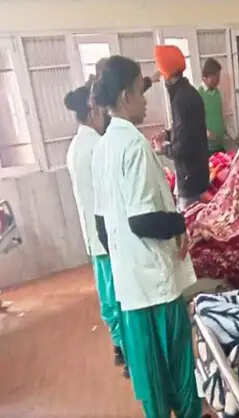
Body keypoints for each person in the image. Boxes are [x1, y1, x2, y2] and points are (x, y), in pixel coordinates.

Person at [91, 55, 201, 418]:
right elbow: (142, 221)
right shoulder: (134, 146)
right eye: (141, 91)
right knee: (180, 377)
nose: (145, 101)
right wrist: (180, 223)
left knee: (152, 383)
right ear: (125, 96)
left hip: (131, 287)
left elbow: (103, 225)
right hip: (157, 288)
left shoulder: (102, 148)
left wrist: (125, 262)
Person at [64, 83, 125, 372]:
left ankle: (118, 345)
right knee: (119, 294)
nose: (105, 115)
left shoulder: (75, 147)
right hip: (106, 235)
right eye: (101, 110)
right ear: (91, 111)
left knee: (107, 293)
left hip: (93, 237)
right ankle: (127, 350)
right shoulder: (97, 147)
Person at [151, 45, 209, 212]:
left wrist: (163, 149)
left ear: (165, 73)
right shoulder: (189, 93)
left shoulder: (181, 100)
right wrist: (168, 134)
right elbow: (188, 130)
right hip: (197, 172)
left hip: (190, 177)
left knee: (190, 220)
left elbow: (183, 146)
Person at [198, 58, 227, 154]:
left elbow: (219, 113)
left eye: (219, 76)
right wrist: (206, 132)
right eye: (216, 76)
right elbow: (193, 120)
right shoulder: (198, 94)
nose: (218, 80)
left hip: (220, 144)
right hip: (207, 148)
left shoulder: (217, 92)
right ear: (207, 76)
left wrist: (224, 129)